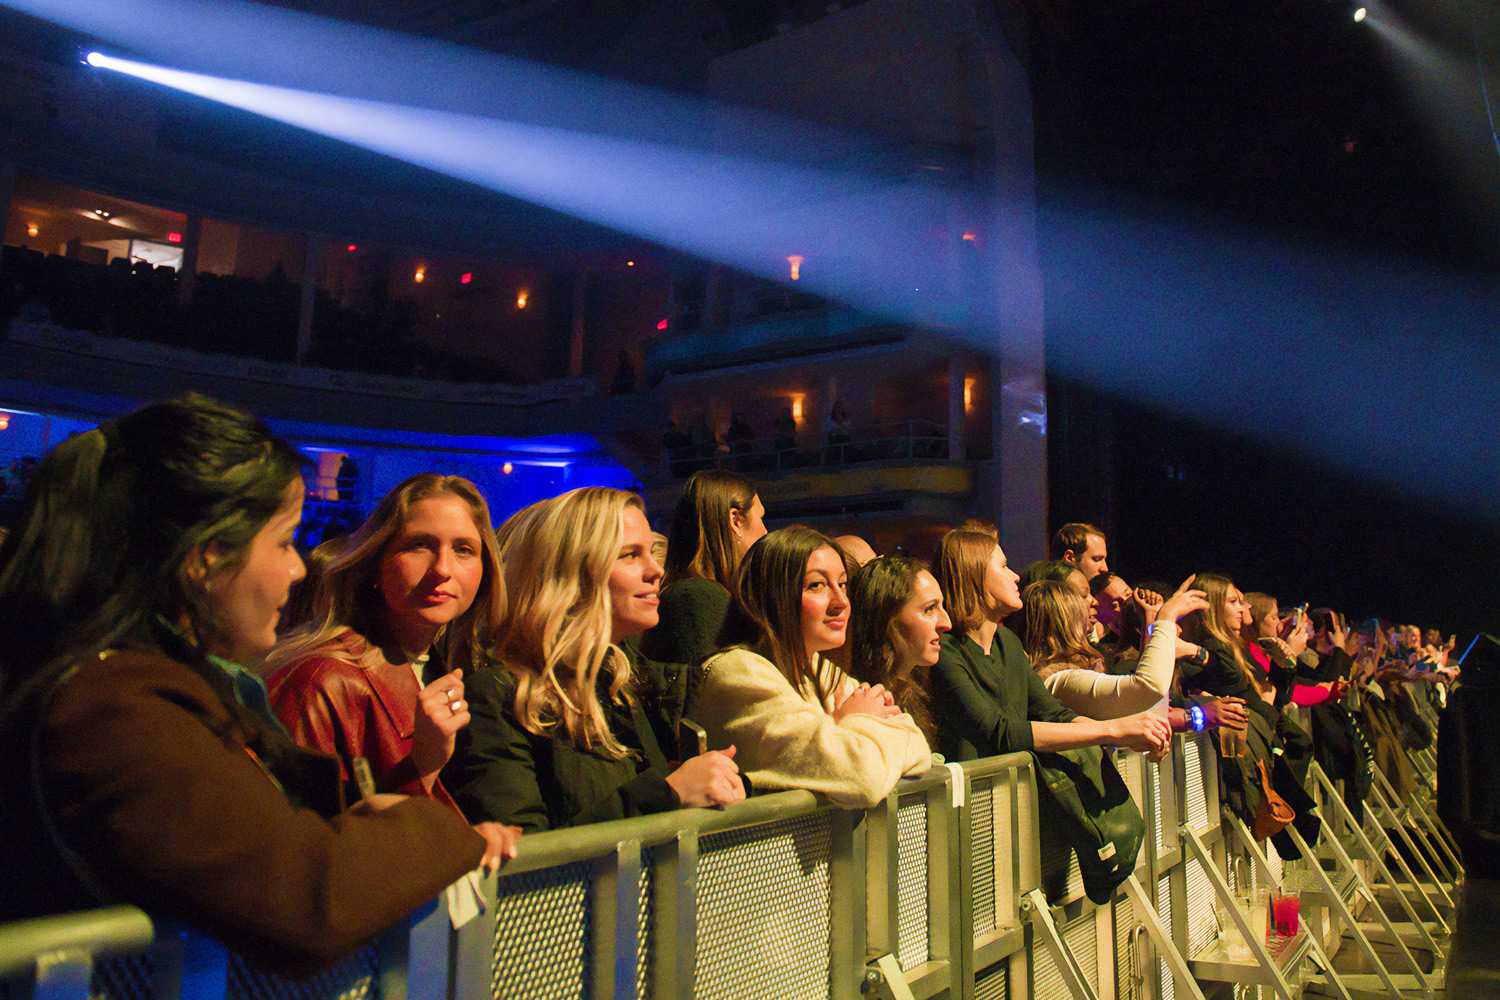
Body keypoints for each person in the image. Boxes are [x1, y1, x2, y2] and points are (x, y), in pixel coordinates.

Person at [0, 395, 509, 976]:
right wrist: (443, 828)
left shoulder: (143, 687)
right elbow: (304, 902)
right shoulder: (110, 707)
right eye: (284, 542)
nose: (299, 567)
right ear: (206, 560)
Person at [444, 488, 744, 832]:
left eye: (650, 553)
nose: (656, 571)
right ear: (572, 572)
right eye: (630, 555)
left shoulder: (628, 685)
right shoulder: (496, 696)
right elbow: (524, 864)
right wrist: (669, 793)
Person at [265, 475, 507, 811]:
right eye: (419, 545)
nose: (442, 569)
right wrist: (421, 766)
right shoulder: (321, 681)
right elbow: (304, 842)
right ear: (375, 561)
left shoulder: (465, 670)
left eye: (464, 549)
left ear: (486, 569)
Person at [691, 526, 932, 808]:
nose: (841, 601)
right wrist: (857, 721)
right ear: (773, 596)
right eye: (817, 585)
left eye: (842, 584)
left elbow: (918, 745)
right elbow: (862, 779)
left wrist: (845, 728)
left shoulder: (819, 668)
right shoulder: (738, 671)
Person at [927, 527, 1170, 762]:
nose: (1015, 576)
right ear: (974, 576)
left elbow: (1054, 714)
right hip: (971, 801)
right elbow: (999, 733)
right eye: (1003, 566)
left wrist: (1125, 737)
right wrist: (1114, 731)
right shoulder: (946, 651)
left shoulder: (1007, 643)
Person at [640, 469, 767, 664]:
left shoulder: (701, 592)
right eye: (761, 518)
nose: (766, 531)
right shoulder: (697, 596)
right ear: (736, 520)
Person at [847, 555, 951, 743]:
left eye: (942, 606)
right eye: (929, 609)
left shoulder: (911, 691)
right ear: (887, 616)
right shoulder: (862, 699)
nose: (946, 623)